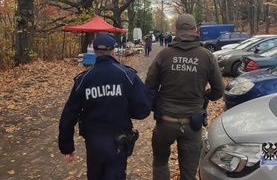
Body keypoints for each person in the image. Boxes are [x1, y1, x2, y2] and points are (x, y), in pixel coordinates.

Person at [58, 32, 152, 180]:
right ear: (113, 50)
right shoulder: (127, 75)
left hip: (93, 142)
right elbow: (144, 108)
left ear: (94, 51)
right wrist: (125, 110)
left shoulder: (84, 79)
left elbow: (69, 113)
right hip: (118, 141)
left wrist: (67, 146)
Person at [145, 13, 224, 180]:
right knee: (189, 173)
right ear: (196, 30)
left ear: (175, 31)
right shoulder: (207, 56)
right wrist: (204, 96)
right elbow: (218, 91)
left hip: (165, 121)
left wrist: (156, 106)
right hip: (192, 123)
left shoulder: (164, 55)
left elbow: (149, 88)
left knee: (160, 163)